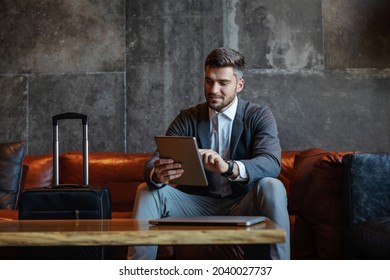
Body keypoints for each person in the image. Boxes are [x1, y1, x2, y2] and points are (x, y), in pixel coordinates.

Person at [128, 47, 290, 260]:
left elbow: (271, 163)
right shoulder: (187, 118)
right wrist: (158, 174)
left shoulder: (259, 115)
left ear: (239, 85)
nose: (214, 89)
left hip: (241, 204)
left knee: (272, 185)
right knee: (146, 190)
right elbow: (154, 162)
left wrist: (229, 167)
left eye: (223, 83)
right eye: (209, 81)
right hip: (196, 204)